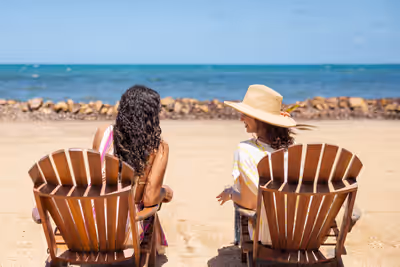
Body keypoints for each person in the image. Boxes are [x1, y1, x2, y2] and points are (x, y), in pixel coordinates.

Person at [216, 84, 361, 245]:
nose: (241, 118)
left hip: (271, 235)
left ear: (261, 120)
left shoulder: (244, 150)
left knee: (239, 194)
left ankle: (239, 242)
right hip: (309, 231)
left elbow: (251, 203)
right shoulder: (294, 150)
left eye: (245, 114)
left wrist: (231, 193)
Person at [92, 84, 173, 253]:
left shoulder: (103, 133)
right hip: (124, 230)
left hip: (91, 226)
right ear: (151, 117)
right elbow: (150, 198)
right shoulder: (158, 148)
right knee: (147, 206)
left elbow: (95, 181)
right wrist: (166, 192)